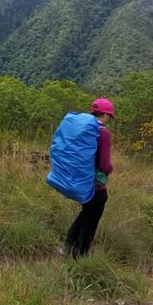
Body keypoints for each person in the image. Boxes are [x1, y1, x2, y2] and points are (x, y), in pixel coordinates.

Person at [60, 98, 114, 258]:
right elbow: (104, 164)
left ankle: (68, 245)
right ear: (104, 114)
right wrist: (110, 169)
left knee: (86, 213)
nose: (109, 119)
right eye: (109, 116)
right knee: (91, 220)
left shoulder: (83, 128)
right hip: (96, 185)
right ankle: (79, 256)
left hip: (82, 181)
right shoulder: (103, 133)